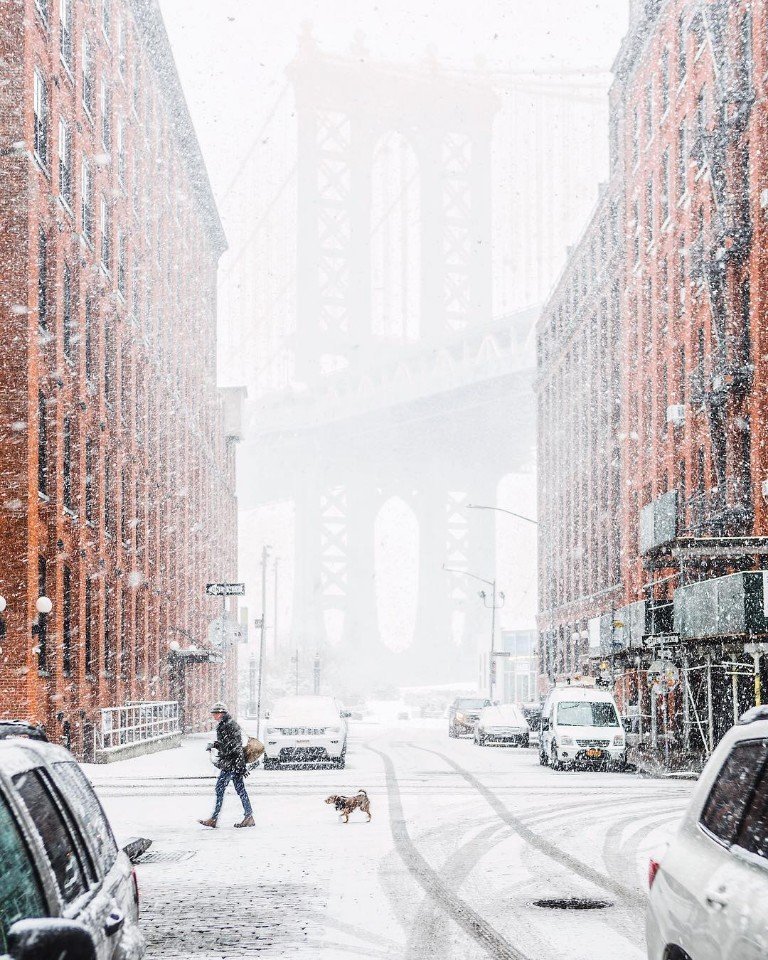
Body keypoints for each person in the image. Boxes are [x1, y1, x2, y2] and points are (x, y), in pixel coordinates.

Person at [198, 702, 254, 828]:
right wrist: (215, 745)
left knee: (220, 788)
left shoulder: (228, 726)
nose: (213, 716)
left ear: (221, 713)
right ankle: (249, 816)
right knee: (240, 790)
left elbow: (235, 747)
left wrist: (239, 766)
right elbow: (228, 745)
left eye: (215, 713)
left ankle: (214, 818)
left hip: (231, 764)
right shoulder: (226, 725)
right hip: (234, 763)